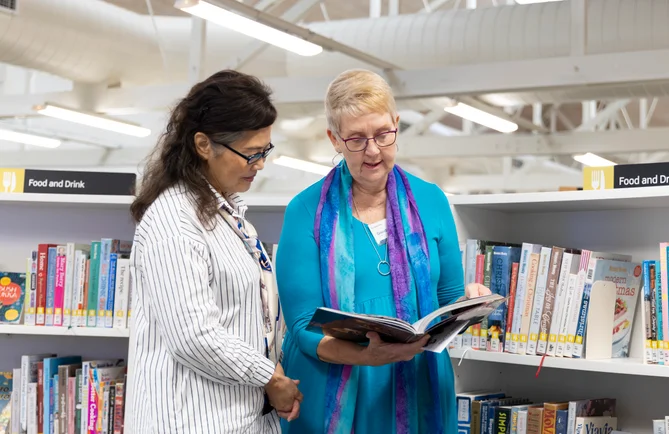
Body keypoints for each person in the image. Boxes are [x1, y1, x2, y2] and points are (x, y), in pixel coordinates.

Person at [275, 68, 491, 434]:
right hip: (336, 388)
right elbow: (301, 326)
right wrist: (366, 356)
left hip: (420, 385)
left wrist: (470, 304)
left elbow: (447, 301)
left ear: (397, 124)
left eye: (382, 134)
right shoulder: (305, 211)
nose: (373, 150)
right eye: (356, 139)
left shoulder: (432, 201)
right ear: (334, 139)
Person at [127, 70, 302, 433]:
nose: (260, 164)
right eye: (251, 154)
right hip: (192, 421)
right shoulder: (174, 221)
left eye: (265, 151)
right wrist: (269, 376)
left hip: (239, 416)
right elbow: (193, 336)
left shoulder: (229, 216)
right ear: (204, 145)